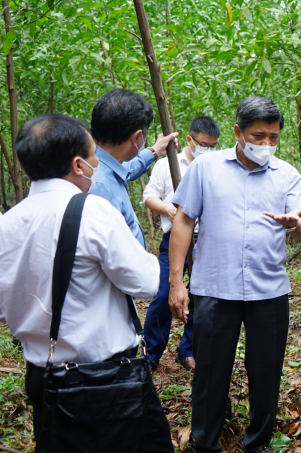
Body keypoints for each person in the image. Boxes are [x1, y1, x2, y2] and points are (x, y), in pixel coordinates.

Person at [0, 114, 173, 452]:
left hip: (44, 376)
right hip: (104, 381)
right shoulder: (92, 211)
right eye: (94, 155)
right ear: (79, 165)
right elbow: (147, 282)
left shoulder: (8, 223)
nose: (98, 163)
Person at [168, 96, 301, 453]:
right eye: (258, 136)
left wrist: (296, 225)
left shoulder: (287, 174)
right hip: (215, 287)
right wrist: (175, 283)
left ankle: (258, 442)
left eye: (273, 138)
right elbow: (184, 221)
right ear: (237, 132)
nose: (265, 145)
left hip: (269, 290)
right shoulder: (206, 168)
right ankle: (205, 442)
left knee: (266, 373)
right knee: (210, 373)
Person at [142, 116, 220, 371]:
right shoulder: (167, 165)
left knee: (201, 296)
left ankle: (188, 350)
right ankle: (150, 354)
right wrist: (169, 210)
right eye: (204, 144)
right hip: (173, 239)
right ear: (189, 139)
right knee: (164, 293)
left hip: (205, 241)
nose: (208, 149)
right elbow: (149, 197)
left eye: (213, 145)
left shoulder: (216, 167)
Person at [89, 88, 179, 247]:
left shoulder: (100, 164)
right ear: (137, 138)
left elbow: (127, 169)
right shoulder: (100, 186)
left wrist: (154, 151)